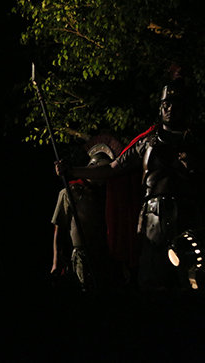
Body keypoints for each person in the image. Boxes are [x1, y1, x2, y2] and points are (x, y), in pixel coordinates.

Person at [56, 75, 205, 291]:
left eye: (176, 104)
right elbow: (111, 168)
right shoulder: (146, 142)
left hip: (187, 219)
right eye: (166, 104)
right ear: (160, 108)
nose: (170, 108)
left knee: (189, 282)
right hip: (152, 221)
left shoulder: (196, 141)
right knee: (152, 283)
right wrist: (72, 171)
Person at [50, 145, 113, 290]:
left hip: (103, 253)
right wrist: (56, 262)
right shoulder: (69, 193)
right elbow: (58, 231)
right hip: (82, 255)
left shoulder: (107, 194)